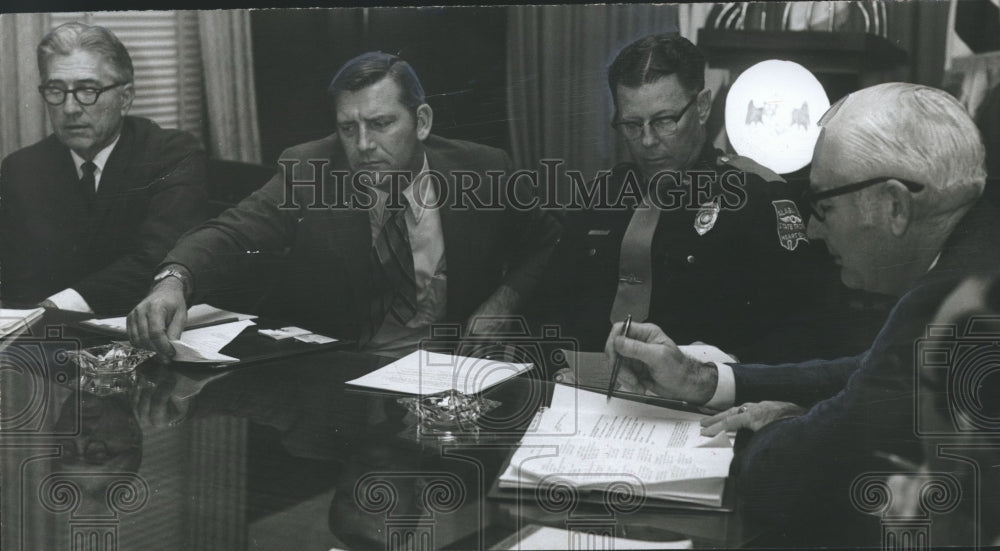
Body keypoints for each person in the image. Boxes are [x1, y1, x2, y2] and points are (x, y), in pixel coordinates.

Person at [604, 83, 1000, 544]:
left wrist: (786, 422)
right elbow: (868, 372)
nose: (811, 230)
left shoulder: (956, 302)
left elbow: (783, 480)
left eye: (824, 206)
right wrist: (704, 380)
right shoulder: (978, 251)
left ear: (894, 205)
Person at [127, 51, 560, 358]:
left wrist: (504, 300)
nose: (364, 145)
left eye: (381, 124)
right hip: (344, 375)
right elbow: (234, 231)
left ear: (422, 122)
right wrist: (173, 279)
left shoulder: (482, 170)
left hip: (451, 372)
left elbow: (548, 239)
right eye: (347, 129)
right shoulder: (310, 169)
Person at [539, 33, 851, 363]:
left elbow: (811, 328)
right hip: (586, 393)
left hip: (704, 402)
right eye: (631, 124)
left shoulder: (756, 195)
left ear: (701, 107)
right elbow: (549, 304)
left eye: (664, 121)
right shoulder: (602, 196)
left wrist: (714, 376)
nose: (647, 140)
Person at [0, 22, 208, 315]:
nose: (70, 108)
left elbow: (159, 259)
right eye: (56, 90)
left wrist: (55, 306)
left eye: (87, 90)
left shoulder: (171, 154)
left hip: (137, 331)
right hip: (42, 337)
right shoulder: (21, 169)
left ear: (124, 98)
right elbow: (14, 277)